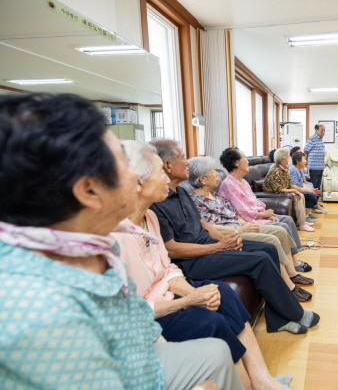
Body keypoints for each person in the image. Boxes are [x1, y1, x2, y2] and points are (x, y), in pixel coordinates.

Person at [0, 93, 243, 390]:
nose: (140, 177)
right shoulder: (45, 314)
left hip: (141, 358)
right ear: (88, 190)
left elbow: (135, 317)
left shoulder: (100, 244)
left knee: (215, 352)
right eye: (123, 163)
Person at [111, 141, 295, 390]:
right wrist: (187, 300)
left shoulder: (150, 216)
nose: (165, 177)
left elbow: (167, 269)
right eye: (159, 172)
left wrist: (193, 292)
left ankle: (261, 380)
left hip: (172, 288)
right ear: (137, 182)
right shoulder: (114, 236)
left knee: (226, 295)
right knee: (211, 320)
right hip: (154, 308)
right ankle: (248, 385)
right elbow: (129, 306)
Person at [149, 140, 319, 334]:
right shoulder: (157, 203)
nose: (187, 162)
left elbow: (203, 223)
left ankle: (278, 319)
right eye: (183, 158)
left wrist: (223, 240)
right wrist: (218, 247)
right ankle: (294, 313)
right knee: (261, 260)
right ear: (167, 166)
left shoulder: (180, 192)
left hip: (210, 244)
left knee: (269, 248)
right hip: (193, 260)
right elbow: (171, 248)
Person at [183, 156, 314, 301]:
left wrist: (246, 224)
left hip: (241, 226)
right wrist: (240, 230)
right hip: (230, 233)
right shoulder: (194, 201)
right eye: (212, 171)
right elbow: (210, 228)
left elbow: (235, 213)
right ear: (202, 179)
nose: (217, 174)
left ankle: (291, 272)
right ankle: (288, 285)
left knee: (281, 231)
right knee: (272, 240)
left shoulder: (216, 195)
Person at [218, 147, 313, 272]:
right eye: (245, 158)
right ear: (236, 163)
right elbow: (242, 211)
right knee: (283, 226)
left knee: (288, 220)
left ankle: (293, 259)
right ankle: (291, 264)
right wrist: (264, 214)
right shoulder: (229, 184)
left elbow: (255, 201)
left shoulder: (243, 182)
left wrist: (267, 213)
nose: (247, 161)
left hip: (259, 215)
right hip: (249, 220)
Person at [263, 148, 315, 231]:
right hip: (274, 193)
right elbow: (278, 188)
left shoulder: (285, 170)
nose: (290, 159)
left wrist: (294, 189)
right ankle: (302, 224)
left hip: (281, 191)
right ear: (283, 161)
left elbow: (288, 184)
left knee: (301, 195)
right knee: (298, 196)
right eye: (289, 157)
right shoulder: (276, 171)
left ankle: (303, 222)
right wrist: (292, 190)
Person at [304, 124, 326, 190]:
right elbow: (305, 150)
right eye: (322, 130)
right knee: (314, 185)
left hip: (320, 166)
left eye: (324, 130)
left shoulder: (321, 139)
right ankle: (314, 198)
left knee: (318, 185)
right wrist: (306, 161)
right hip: (314, 166)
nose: (323, 132)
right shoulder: (312, 139)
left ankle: (317, 198)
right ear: (316, 130)